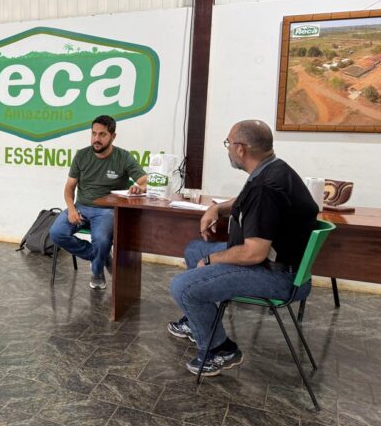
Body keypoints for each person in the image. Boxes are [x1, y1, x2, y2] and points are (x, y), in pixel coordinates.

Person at [168, 120, 318, 377]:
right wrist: (216, 208)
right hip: (279, 265)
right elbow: (244, 200)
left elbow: (254, 253)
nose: (227, 148)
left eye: (228, 143)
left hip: (277, 276)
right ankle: (199, 322)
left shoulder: (265, 187)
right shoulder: (274, 169)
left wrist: (212, 260)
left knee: (182, 287)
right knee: (195, 250)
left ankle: (220, 349)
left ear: (241, 149)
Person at [49, 115, 148, 290]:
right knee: (56, 233)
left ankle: (97, 270)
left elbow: (145, 180)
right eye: (93, 133)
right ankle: (101, 257)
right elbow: (69, 188)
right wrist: (71, 209)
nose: (96, 139)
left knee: (102, 240)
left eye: (102, 134)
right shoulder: (82, 155)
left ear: (113, 136)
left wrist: (140, 188)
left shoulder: (123, 157)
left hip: (106, 211)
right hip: (81, 207)